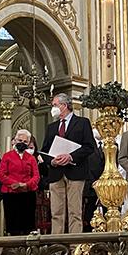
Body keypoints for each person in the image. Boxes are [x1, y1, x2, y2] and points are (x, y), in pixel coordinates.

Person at [41, 93, 96, 234]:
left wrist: (70, 157)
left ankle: (75, 247)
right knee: (56, 212)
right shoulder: (51, 127)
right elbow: (44, 151)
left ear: (64, 106)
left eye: (54, 105)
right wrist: (51, 161)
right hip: (56, 173)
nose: (53, 108)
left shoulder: (82, 122)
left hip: (75, 173)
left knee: (75, 212)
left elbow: (90, 147)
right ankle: (56, 247)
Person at [0, 129, 40, 236]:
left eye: (25, 141)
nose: (22, 143)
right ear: (15, 141)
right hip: (11, 193)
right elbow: (2, 175)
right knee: (13, 226)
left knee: (28, 226)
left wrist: (25, 184)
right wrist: (14, 183)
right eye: (20, 140)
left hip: (28, 193)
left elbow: (36, 176)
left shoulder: (31, 158)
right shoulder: (7, 156)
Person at [83, 128, 105, 232]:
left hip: (106, 186)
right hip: (91, 186)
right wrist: (94, 182)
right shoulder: (88, 146)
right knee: (89, 214)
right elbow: (85, 166)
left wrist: (103, 182)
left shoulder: (113, 145)